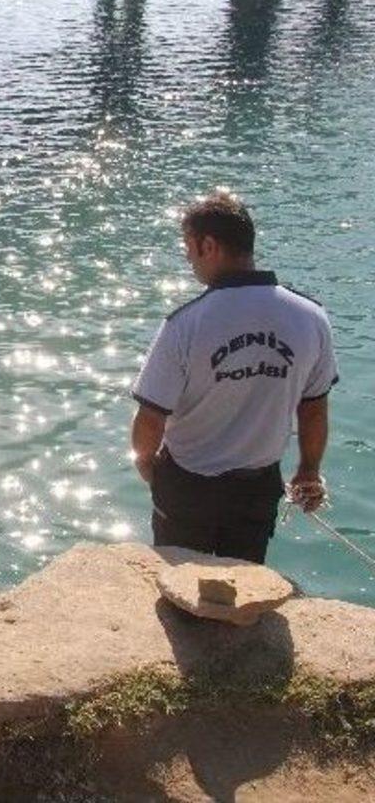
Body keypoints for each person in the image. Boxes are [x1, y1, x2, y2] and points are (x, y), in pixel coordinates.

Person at [131, 190, 338, 564]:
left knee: (178, 581)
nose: (188, 259)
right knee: (244, 582)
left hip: (186, 487)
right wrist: (308, 471)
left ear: (208, 245)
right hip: (256, 491)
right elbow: (314, 410)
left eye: (189, 248)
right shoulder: (311, 317)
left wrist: (147, 465)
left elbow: (150, 418)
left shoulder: (185, 324)